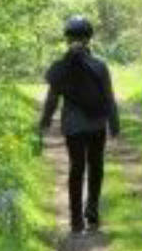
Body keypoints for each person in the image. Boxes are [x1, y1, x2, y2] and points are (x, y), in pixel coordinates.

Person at [39, 15, 120, 233]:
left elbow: (52, 98)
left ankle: (76, 220)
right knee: (96, 166)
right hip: (96, 124)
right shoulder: (100, 65)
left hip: (73, 126)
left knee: (76, 168)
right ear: (88, 38)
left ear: (67, 39)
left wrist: (45, 121)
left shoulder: (60, 67)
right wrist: (114, 123)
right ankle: (92, 208)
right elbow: (108, 97)